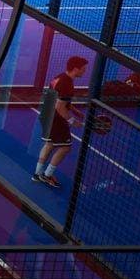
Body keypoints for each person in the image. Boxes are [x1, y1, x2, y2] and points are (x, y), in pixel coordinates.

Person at [34, 56, 88, 188]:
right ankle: (47, 175)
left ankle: (37, 173)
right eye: (83, 69)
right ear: (75, 69)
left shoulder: (59, 77)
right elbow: (59, 107)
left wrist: (75, 110)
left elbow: (61, 100)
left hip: (46, 115)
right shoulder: (67, 84)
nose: (85, 71)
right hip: (56, 119)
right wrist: (72, 121)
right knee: (65, 147)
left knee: (50, 144)